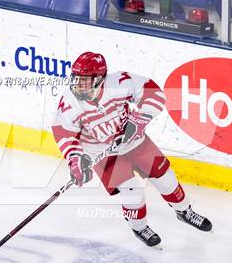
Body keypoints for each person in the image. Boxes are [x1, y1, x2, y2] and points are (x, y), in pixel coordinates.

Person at [52, 52, 212, 247]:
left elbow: (154, 92)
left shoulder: (120, 82)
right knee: (133, 191)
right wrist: (75, 160)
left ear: (100, 79)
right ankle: (139, 227)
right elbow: (64, 133)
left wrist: (139, 119)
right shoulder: (70, 102)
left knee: (165, 177)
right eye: (76, 78)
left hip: (135, 141)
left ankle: (185, 211)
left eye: (85, 80)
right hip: (101, 153)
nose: (78, 84)